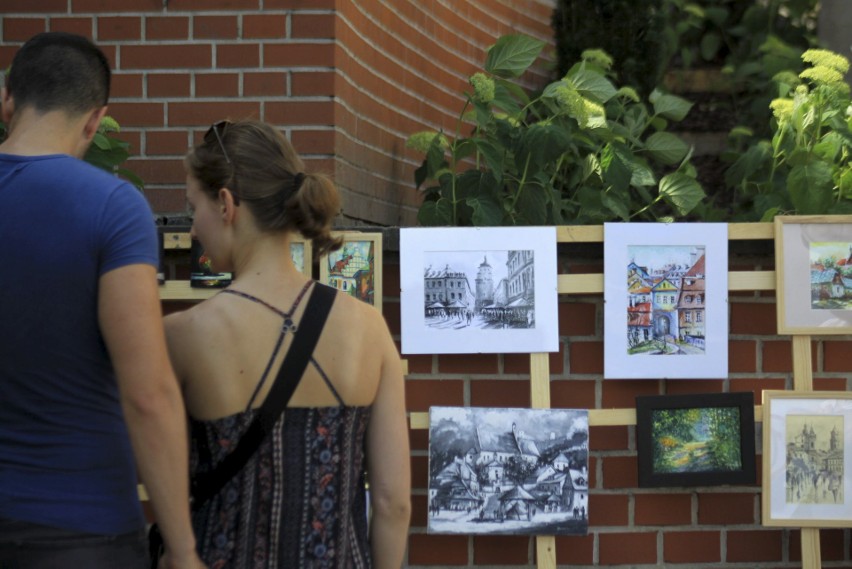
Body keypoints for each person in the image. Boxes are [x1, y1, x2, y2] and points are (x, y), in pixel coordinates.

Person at [165, 119, 411, 568]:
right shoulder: (369, 328)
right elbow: (394, 504)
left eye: (191, 207)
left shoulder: (185, 335)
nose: (193, 229)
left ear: (225, 204)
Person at [0, 33, 205, 569]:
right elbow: (147, 393)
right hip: (78, 527)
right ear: (96, 120)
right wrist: (182, 550)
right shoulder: (111, 206)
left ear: (7, 99)